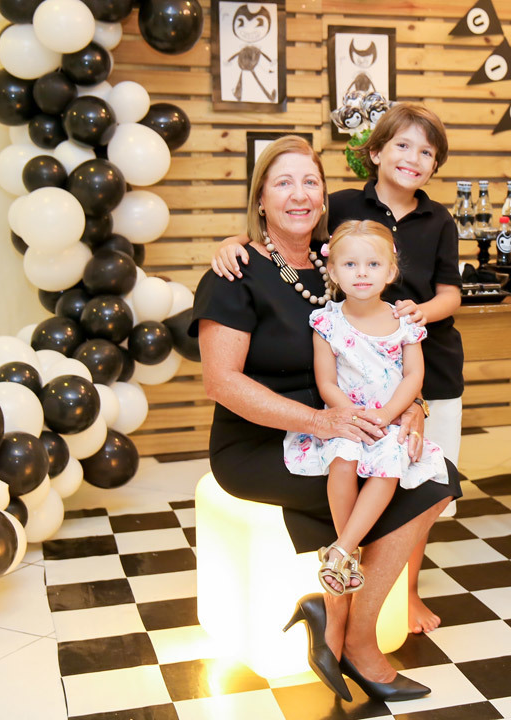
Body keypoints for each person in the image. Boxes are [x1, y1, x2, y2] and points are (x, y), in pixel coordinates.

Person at [192, 135, 460, 702]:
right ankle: (347, 633)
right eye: (283, 182)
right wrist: (322, 423)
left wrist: (411, 408)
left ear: (324, 198)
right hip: (261, 441)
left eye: (310, 182)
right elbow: (222, 382)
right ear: (260, 198)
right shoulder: (234, 272)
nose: (299, 194)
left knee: (437, 479)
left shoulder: (336, 265)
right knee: (397, 487)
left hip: (349, 426)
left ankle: (348, 627)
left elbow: (384, 354)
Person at [284, 220, 450, 596]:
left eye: (373, 265)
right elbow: (327, 382)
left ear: (390, 271)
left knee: (389, 462)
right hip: (345, 419)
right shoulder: (326, 322)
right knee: (343, 456)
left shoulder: (403, 321)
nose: (362, 273)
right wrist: (354, 417)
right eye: (350, 264)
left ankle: (341, 550)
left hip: (389, 421)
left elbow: (414, 376)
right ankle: (350, 553)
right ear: (333, 271)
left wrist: (387, 414)